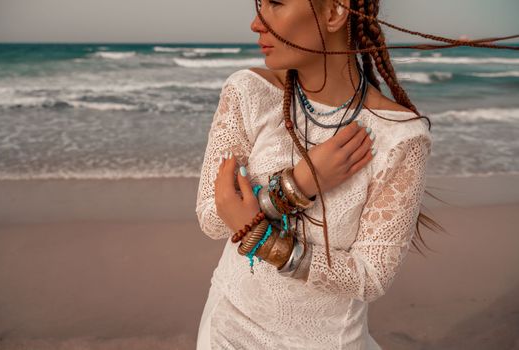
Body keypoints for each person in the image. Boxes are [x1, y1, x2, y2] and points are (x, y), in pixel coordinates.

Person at [194, 0, 518, 348]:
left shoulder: (401, 136)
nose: (256, 24)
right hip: (229, 331)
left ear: (334, 12)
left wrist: (266, 241)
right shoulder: (248, 92)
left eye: (276, 3)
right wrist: (295, 186)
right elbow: (213, 217)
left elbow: (370, 278)